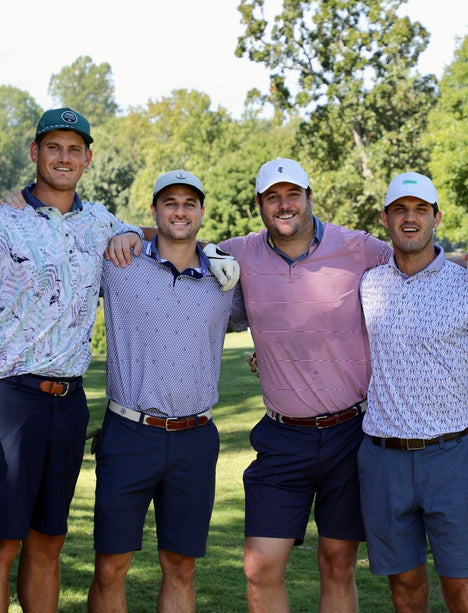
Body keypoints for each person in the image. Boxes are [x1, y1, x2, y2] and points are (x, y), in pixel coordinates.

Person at [0, 110, 238, 613]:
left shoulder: (104, 226)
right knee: (4, 545)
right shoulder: (7, 216)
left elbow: (167, 233)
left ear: (87, 158)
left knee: (49, 540)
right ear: (35, 153)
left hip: (68, 403)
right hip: (10, 397)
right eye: (53, 147)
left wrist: (199, 245)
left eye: (74, 149)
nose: (63, 157)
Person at [218, 158, 393, 613]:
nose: (284, 204)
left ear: (309, 197)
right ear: (259, 204)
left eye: (292, 194)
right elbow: (176, 239)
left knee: (338, 565)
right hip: (282, 437)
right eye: (272, 197)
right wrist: (128, 235)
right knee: (260, 569)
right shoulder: (239, 252)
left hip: (350, 433)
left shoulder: (359, 248)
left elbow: (420, 261)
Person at [87, 170, 245, 613]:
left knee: (181, 567)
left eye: (189, 203)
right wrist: (127, 231)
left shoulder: (224, 279)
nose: (180, 211)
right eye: (170, 203)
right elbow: (82, 223)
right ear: (155, 210)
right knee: (110, 567)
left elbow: (274, 317)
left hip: (196, 438)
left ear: (200, 212)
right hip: (130, 434)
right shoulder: (118, 262)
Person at [358, 172, 468, 612]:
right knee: (405, 587)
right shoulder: (367, 284)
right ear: (385, 218)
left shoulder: (462, 284)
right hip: (383, 458)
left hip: (452, 455)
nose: (410, 218)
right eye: (400, 209)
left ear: (437, 217)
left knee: (461, 587)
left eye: (420, 209)